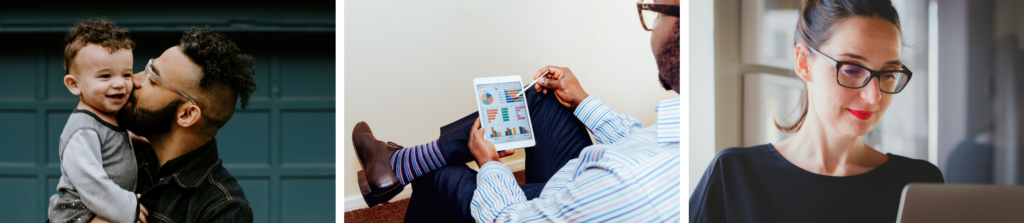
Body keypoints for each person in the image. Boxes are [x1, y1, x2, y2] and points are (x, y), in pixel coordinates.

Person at [351, 0, 682, 221]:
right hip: (579, 185)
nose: (654, 25)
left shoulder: (632, 183)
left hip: (547, 207)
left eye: (658, 12)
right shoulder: (702, 127)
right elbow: (641, 142)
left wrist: (491, 164)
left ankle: (401, 165)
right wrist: (582, 99)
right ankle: (395, 165)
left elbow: (510, 219)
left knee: (439, 174)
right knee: (545, 96)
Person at [687, 0, 944, 222]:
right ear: (803, 62)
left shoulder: (917, 184)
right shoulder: (733, 176)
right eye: (852, 69)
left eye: (888, 74)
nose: (873, 96)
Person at [92, 26, 258, 223]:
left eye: (152, 80)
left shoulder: (223, 207)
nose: (133, 80)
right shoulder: (114, 154)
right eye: (147, 68)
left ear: (187, 114)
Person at [48, 18, 148, 223]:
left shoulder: (108, 116)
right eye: (105, 76)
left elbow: (107, 140)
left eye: (126, 74)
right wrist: (129, 208)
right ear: (74, 85)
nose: (119, 83)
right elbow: (91, 182)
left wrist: (130, 138)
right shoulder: (82, 131)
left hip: (99, 208)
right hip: (79, 213)